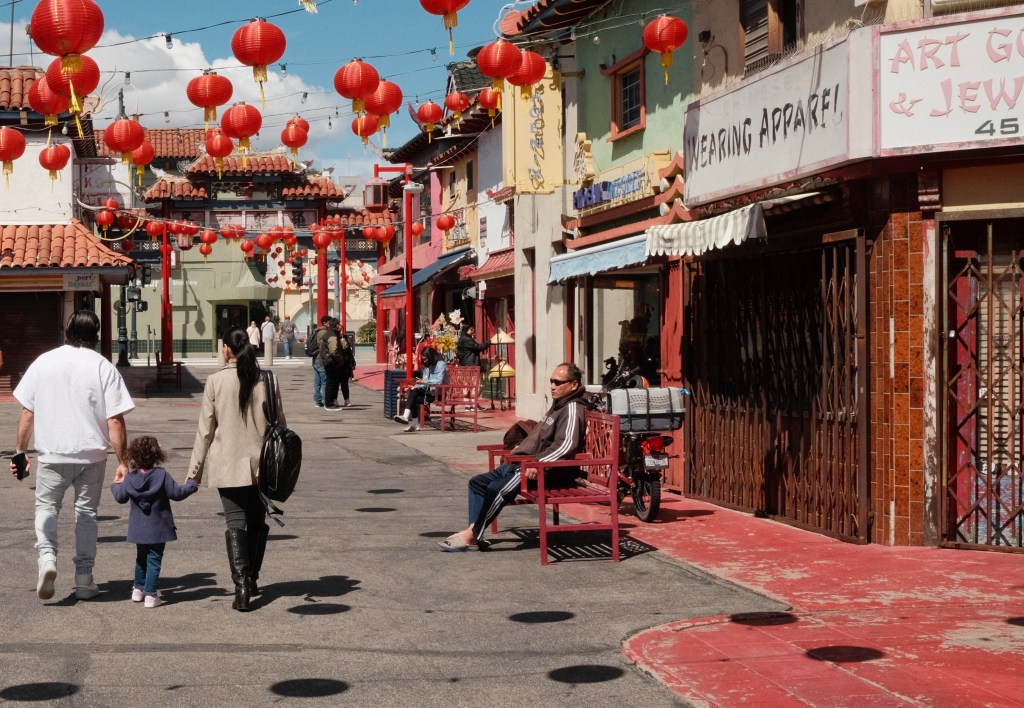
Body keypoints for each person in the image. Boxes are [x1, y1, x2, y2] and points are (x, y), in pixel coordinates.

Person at [10, 310, 135, 600]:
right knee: (86, 515)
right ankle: (84, 579)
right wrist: (123, 462)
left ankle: (47, 558)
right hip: (92, 456)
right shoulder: (103, 366)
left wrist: (20, 451)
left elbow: (28, 412)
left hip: (53, 453)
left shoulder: (44, 362)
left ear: (67, 331)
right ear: (96, 334)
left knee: (46, 507)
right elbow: (115, 421)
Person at [187, 328, 285, 612]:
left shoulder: (215, 381)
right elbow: (281, 425)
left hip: (227, 463)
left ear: (226, 349)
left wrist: (195, 471)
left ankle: (241, 586)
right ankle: (251, 578)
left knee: (235, 523)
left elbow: (205, 431)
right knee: (256, 522)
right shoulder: (267, 379)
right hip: (261, 465)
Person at [439, 362, 586, 551]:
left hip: (551, 472)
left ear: (574, 385)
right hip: (529, 464)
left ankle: (472, 535)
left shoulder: (572, 408)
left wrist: (537, 463)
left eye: (558, 382)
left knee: (498, 489)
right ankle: (474, 531)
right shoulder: (559, 404)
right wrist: (522, 450)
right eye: (551, 381)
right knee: (477, 483)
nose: (552, 386)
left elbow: (566, 446)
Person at [110, 436, 198, 608]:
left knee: (141, 558)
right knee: (154, 560)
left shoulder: (130, 478)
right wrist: (192, 484)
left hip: (138, 528)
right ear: (157, 454)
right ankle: (150, 594)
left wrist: (115, 483)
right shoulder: (161, 475)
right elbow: (177, 494)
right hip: (158, 527)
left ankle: (138, 589)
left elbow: (120, 497)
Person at [393, 346, 448, 433]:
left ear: (431, 356)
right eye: (423, 359)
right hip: (427, 392)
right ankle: (406, 417)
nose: (424, 361)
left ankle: (414, 423)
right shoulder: (427, 366)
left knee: (413, 398)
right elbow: (424, 381)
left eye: (426, 359)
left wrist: (423, 382)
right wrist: (417, 385)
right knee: (413, 392)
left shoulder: (440, 364)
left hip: (437, 393)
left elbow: (439, 381)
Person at [322, 319, 356, 410]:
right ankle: (330, 403)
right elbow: (333, 351)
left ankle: (334, 401)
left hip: (334, 362)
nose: (340, 331)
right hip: (333, 362)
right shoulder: (332, 336)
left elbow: (348, 351)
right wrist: (340, 359)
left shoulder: (330, 334)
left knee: (335, 383)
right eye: (339, 327)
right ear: (336, 326)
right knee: (332, 383)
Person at [309, 315, 331, 408]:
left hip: (315, 358)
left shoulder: (317, 331)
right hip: (321, 358)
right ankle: (326, 401)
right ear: (325, 323)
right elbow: (323, 346)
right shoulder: (324, 333)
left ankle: (318, 401)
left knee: (317, 381)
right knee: (324, 381)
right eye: (330, 322)